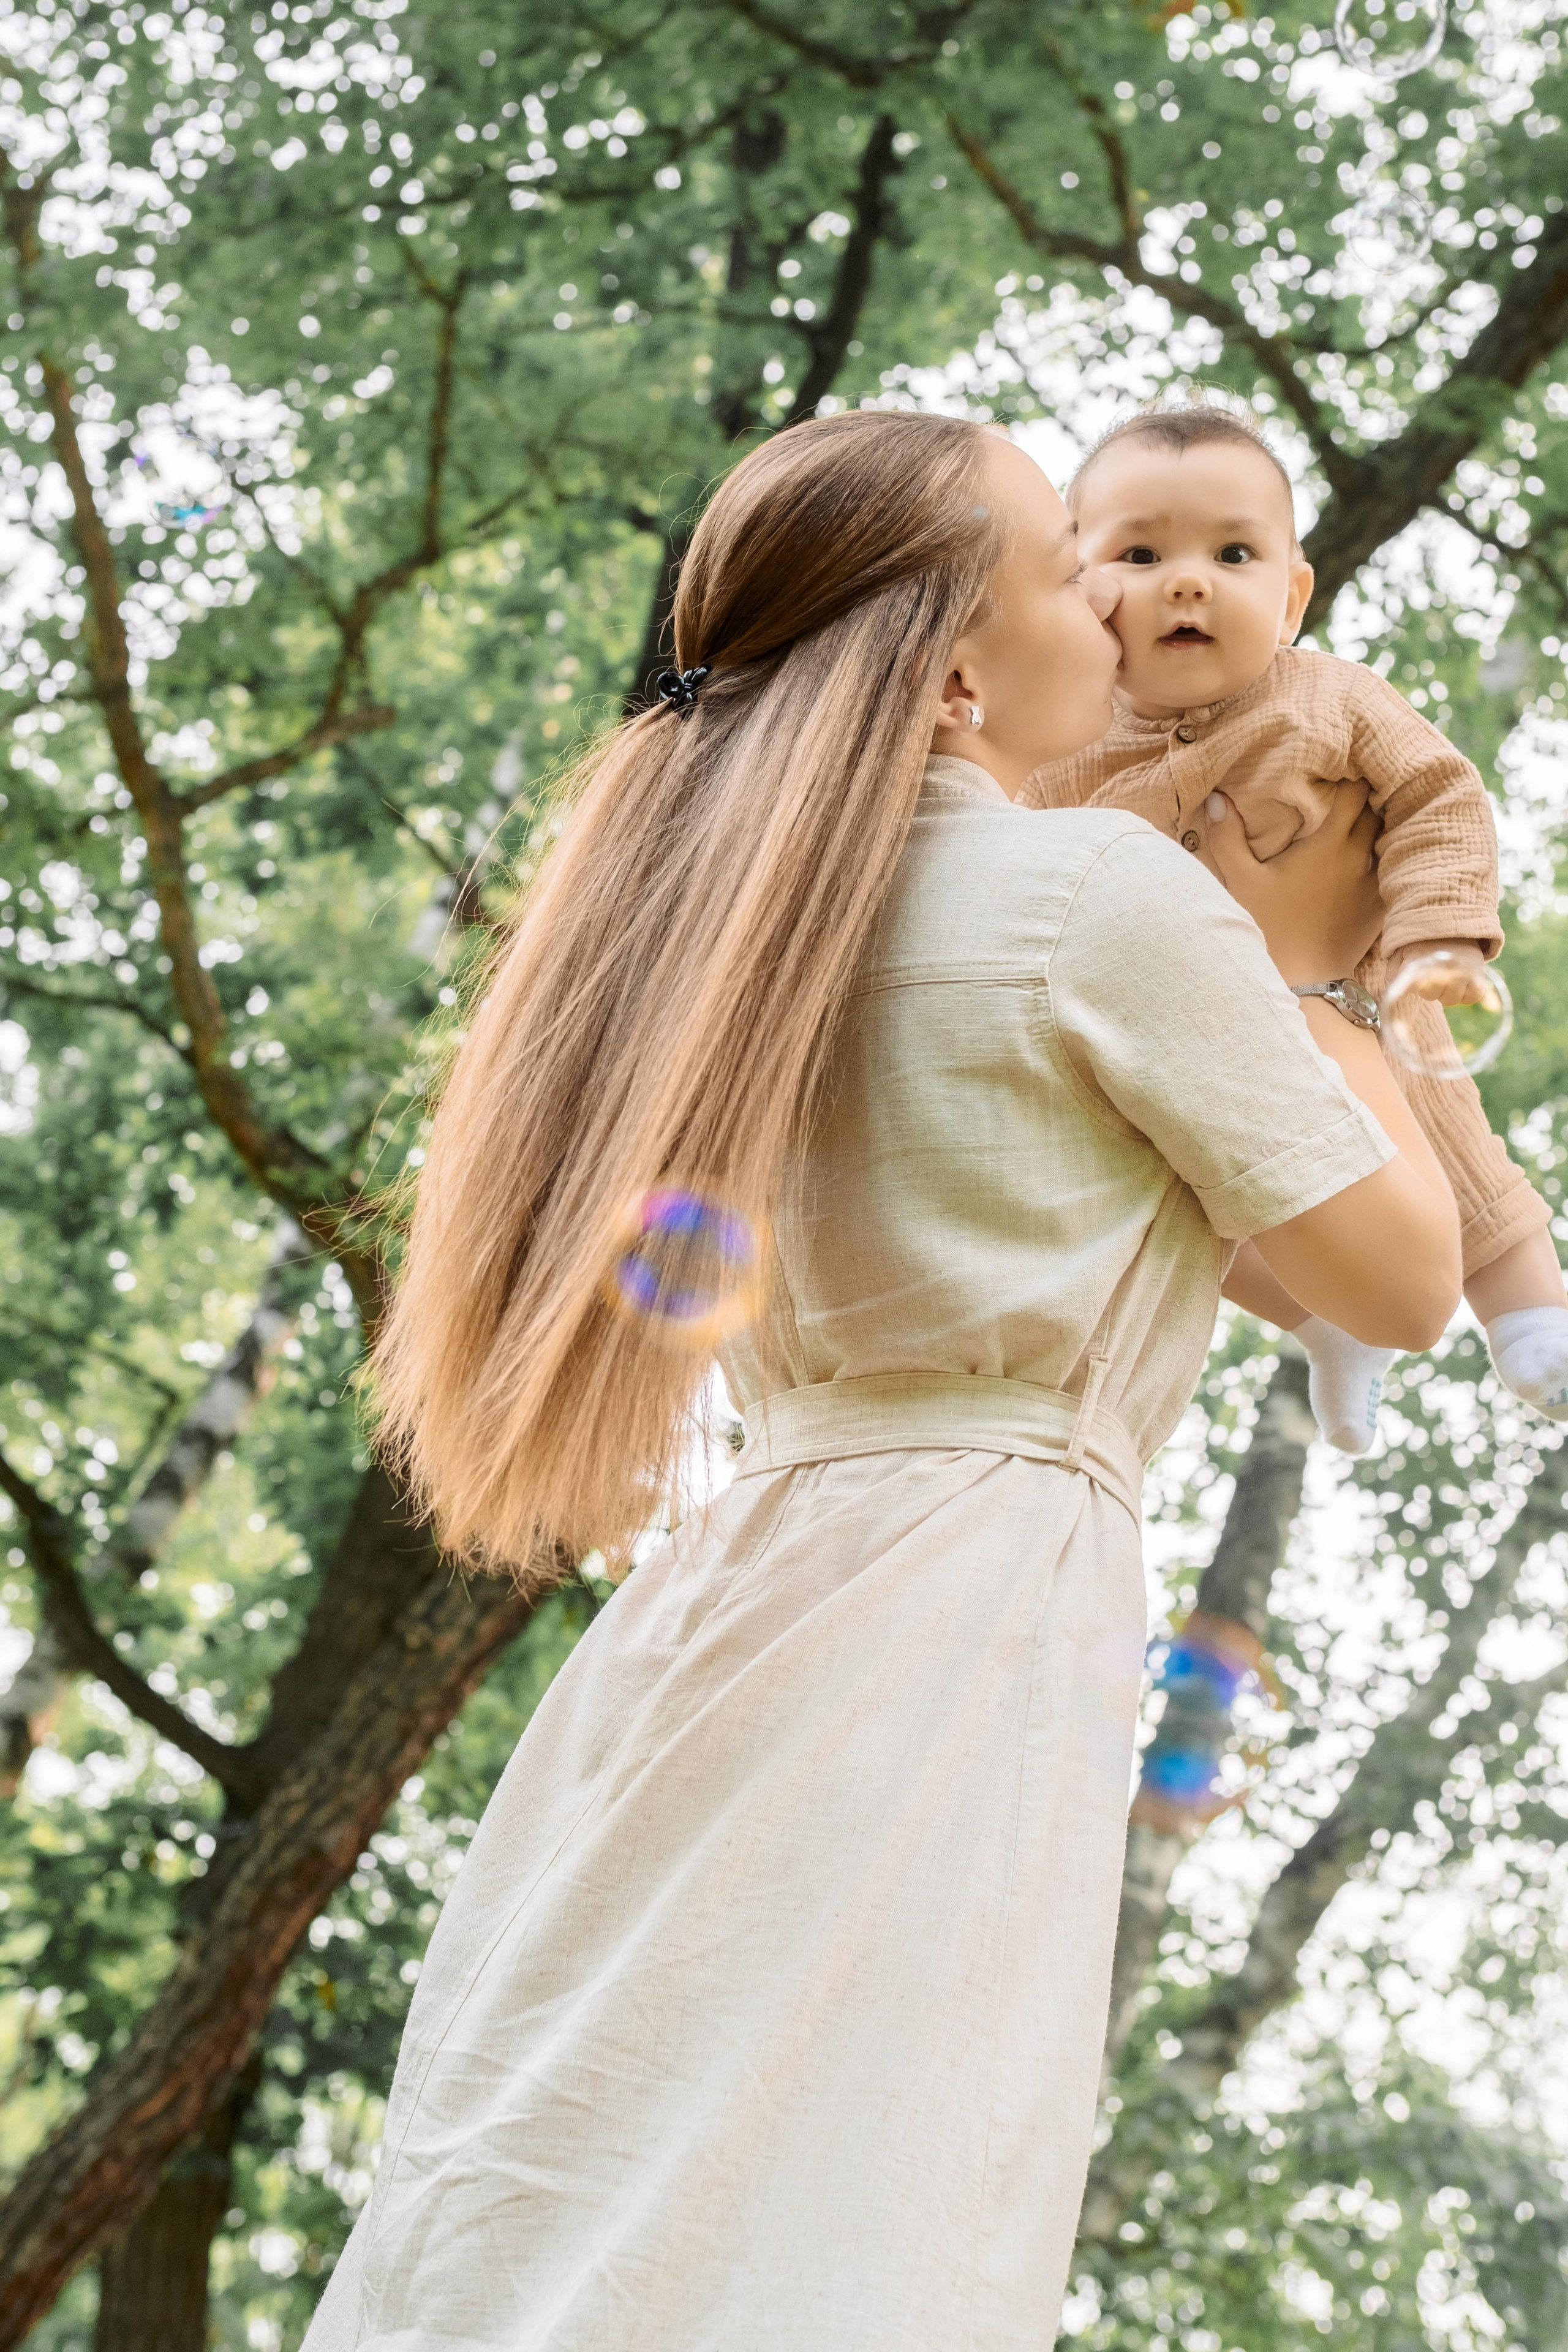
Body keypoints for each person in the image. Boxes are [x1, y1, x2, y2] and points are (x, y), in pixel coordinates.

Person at [303, 412, 1458, 2352]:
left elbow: (1210, 1241)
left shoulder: (742, 926)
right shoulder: (1097, 895)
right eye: (1063, 566)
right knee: (853, 2225)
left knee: (579, 2211)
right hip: (958, 1624)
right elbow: (1401, 1280)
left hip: (720, 1618)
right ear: (953, 674)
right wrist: (1326, 984)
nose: (1117, 600)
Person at [1025, 403, 1567, 1452]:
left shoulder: (1332, 699)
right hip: (1181, 1031)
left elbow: (1437, 798)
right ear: (1081, 591)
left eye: (1234, 552)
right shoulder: (1059, 760)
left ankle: (1527, 1312)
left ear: (1292, 596)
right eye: (1140, 553)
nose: (1189, 579)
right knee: (1181, 1187)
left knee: (1442, 1123)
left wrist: (1434, 935)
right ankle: (1324, 1324)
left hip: (1356, 991)